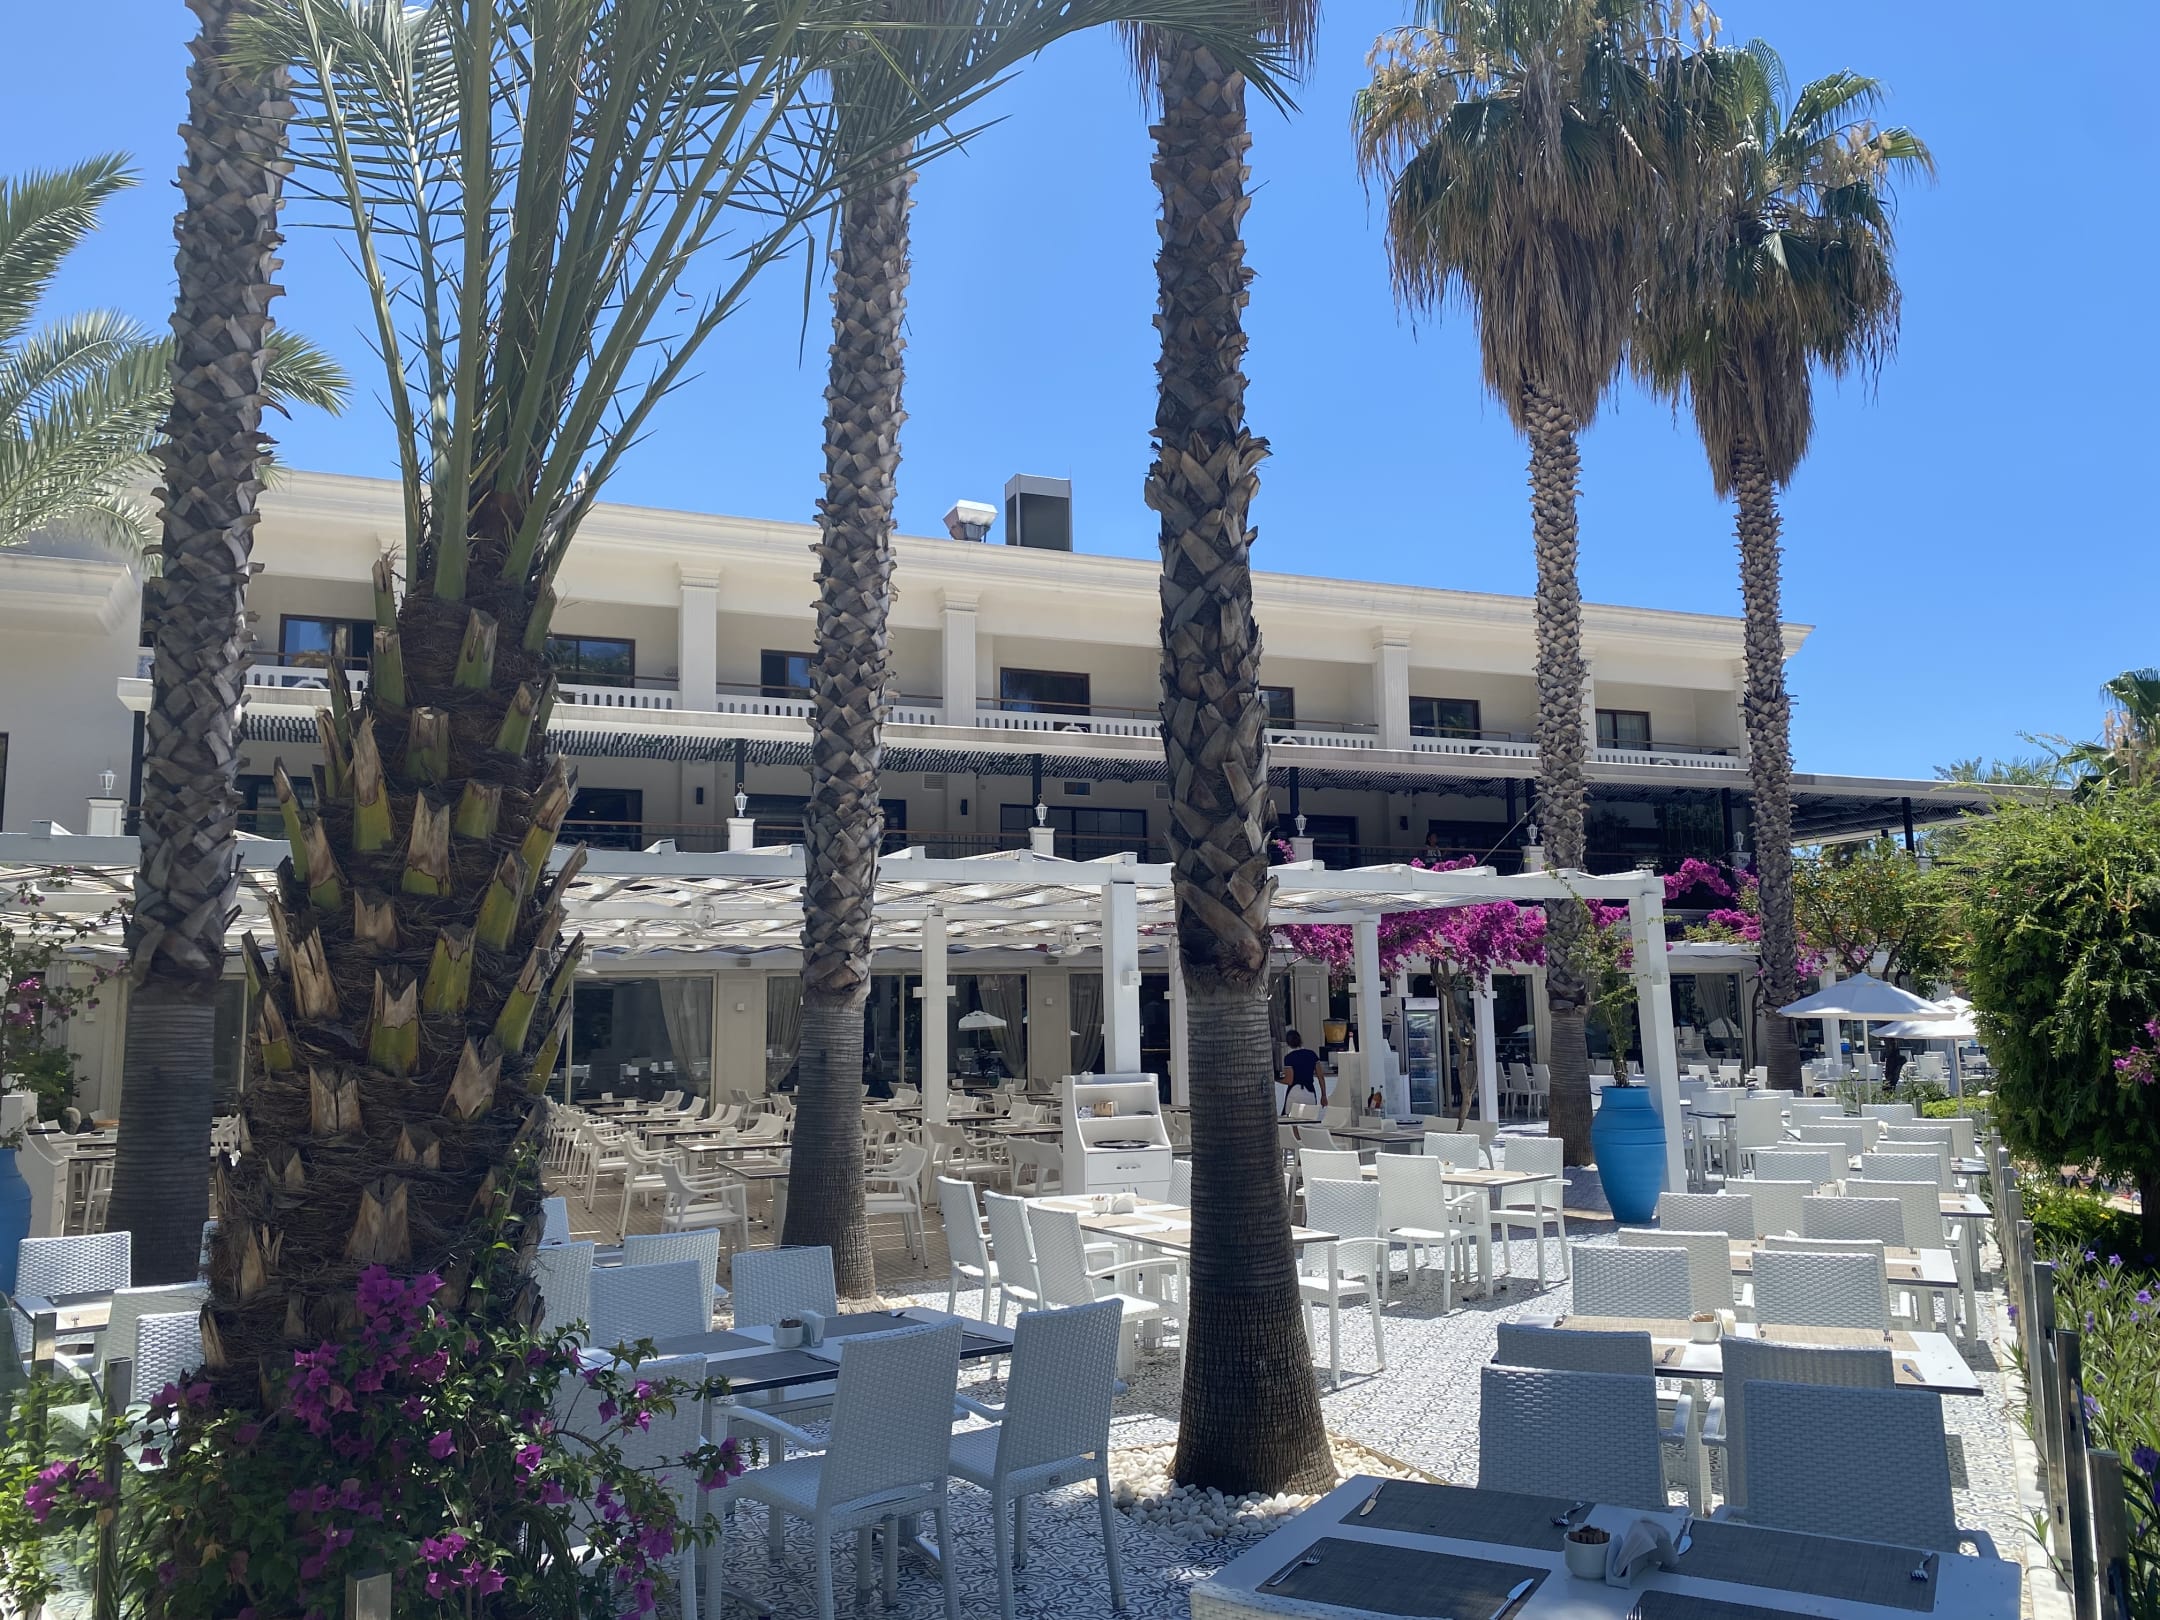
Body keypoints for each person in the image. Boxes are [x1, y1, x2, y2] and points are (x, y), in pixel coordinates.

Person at [1278, 1030, 1328, 1116]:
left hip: (1294, 1092)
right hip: (1310, 1093)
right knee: (1309, 1120)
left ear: (1288, 1043)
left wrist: (1276, 1078)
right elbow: (1321, 1077)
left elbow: (1289, 1080)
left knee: (1289, 1121)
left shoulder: (1289, 1058)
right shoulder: (1312, 1054)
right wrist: (1323, 1095)